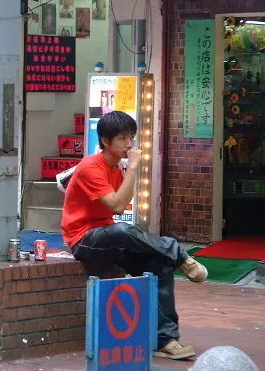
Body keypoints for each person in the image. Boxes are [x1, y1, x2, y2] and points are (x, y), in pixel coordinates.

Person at [61, 111, 208, 361]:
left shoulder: (117, 167)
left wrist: (128, 169)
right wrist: (134, 168)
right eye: (123, 138)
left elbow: (121, 206)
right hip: (83, 240)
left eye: (131, 137)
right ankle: (178, 252)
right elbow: (117, 206)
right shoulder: (89, 167)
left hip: (109, 238)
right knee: (122, 230)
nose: (130, 144)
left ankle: (166, 340)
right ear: (106, 141)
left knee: (159, 265)